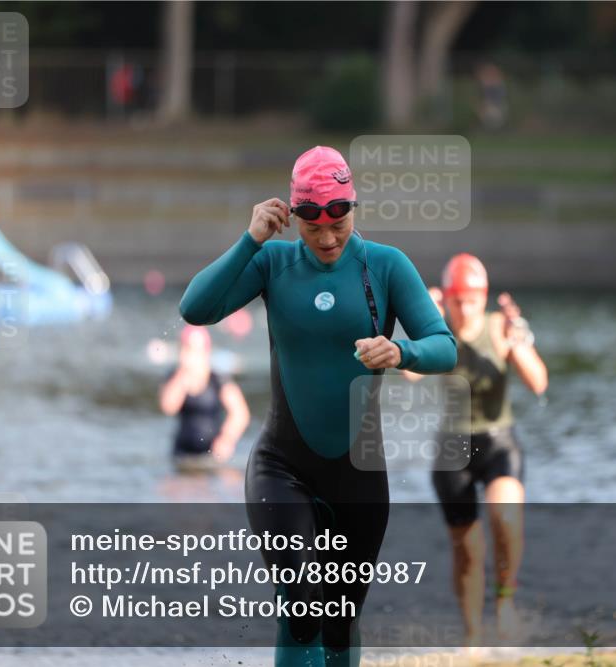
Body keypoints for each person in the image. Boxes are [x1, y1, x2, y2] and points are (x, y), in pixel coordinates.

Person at [179, 146, 457, 667]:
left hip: (358, 474)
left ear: (353, 207)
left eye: (340, 222)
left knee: (339, 620)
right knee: (302, 602)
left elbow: (444, 346)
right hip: (282, 467)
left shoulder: (387, 266)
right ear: (294, 215)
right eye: (313, 227)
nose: (328, 238)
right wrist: (250, 239)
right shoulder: (272, 262)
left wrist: (402, 351)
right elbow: (195, 309)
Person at [411, 253, 547, 647]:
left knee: (505, 517)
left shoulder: (500, 327)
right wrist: (423, 321)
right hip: (451, 450)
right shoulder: (436, 331)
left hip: (498, 442)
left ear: (483, 297)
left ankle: (505, 603)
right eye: (457, 300)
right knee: (468, 549)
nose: (465, 307)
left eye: (472, 299)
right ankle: (472, 638)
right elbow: (409, 371)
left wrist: (516, 338)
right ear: (447, 299)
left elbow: (538, 383)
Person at [160, 324, 250, 471]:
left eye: (195, 350)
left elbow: (240, 414)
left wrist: (226, 439)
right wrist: (182, 374)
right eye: (186, 348)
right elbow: (168, 408)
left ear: (206, 352)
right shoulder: (175, 376)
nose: (191, 355)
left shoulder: (217, 379)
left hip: (212, 453)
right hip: (182, 453)